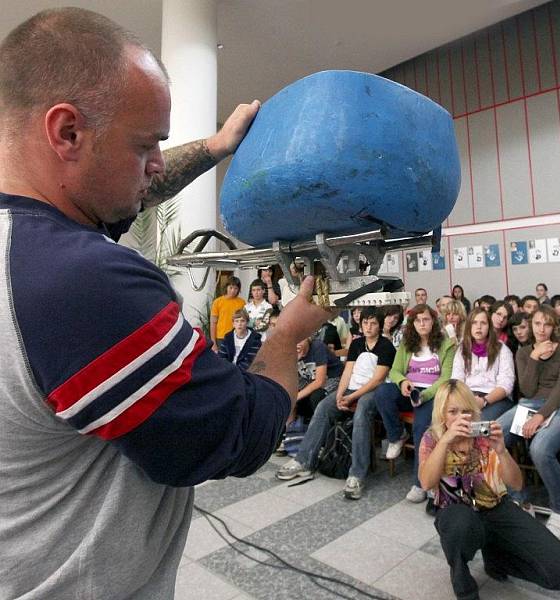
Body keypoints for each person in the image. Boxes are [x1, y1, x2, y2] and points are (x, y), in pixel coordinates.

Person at [0, 8, 333, 598]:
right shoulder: (80, 281)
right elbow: (238, 433)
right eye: (146, 143)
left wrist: (214, 147)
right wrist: (286, 335)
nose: (156, 162)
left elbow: (125, 193)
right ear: (67, 132)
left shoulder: (22, 249)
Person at [418, 380, 560, 600]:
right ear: (442, 413)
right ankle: (463, 582)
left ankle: (496, 558)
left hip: (495, 507)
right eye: (453, 412)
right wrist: (445, 441)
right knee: (460, 526)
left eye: (466, 411)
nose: (460, 418)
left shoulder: (484, 435)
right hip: (454, 510)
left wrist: (502, 451)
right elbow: (426, 483)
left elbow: (517, 484)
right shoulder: (433, 438)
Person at [276, 309, 396, 499]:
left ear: (380, 326)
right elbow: (347, 372)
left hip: (372, 392)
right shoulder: (357, 344)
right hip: (350, 389)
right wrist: (340, 394)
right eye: (365, 323)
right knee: (324, 407)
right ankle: (304, 461)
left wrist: (352, 397)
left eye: (373, 323)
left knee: (361, 413)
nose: (368, 327)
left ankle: (356, 475)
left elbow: (377, 380)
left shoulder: (386, 347)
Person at [498, 305, 560, 540]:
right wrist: (533, 357)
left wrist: (541, 415)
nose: (541, 329)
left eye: (547, 324)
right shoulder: (523, 352)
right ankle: (519, 498)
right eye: (537, 324)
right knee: (493, 437)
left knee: (540, 449)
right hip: (530, 403)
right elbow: (529, 390)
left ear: (554, 326)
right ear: (530, 326)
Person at [375, 303, 456, 502]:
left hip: (431, 394)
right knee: (382, 393)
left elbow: (446, 378)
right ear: (412, 323)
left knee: (421, 428)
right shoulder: (407, 343)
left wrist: (425, 395)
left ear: (433, 321)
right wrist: (402, 382)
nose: (422, 324)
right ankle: (397, 435)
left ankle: (420, 483)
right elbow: (394, 371)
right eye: (418, 320)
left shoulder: (446, 344)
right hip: (409, 390)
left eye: (426, 319)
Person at [451, 308, 515, 422]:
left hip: (494, 398)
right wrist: (466, 400)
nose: (478, 327)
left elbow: (506, 384)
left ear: (489, 327)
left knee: (477, 423)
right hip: (467, 396)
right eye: (474, 323)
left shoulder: (502, 349)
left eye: (483, 323)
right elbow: (457, 380)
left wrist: (484, 401)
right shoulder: (462, 349)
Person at [210, 276, 246, 351]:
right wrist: (213, 343)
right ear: (226, 287)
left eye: (236, 288)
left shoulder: (242, 303)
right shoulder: (217, 302)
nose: (233, 291)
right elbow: (213, 323)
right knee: (222, 361)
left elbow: (245, 321)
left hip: (237, 337)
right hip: (221, 338)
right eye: (231, 287)